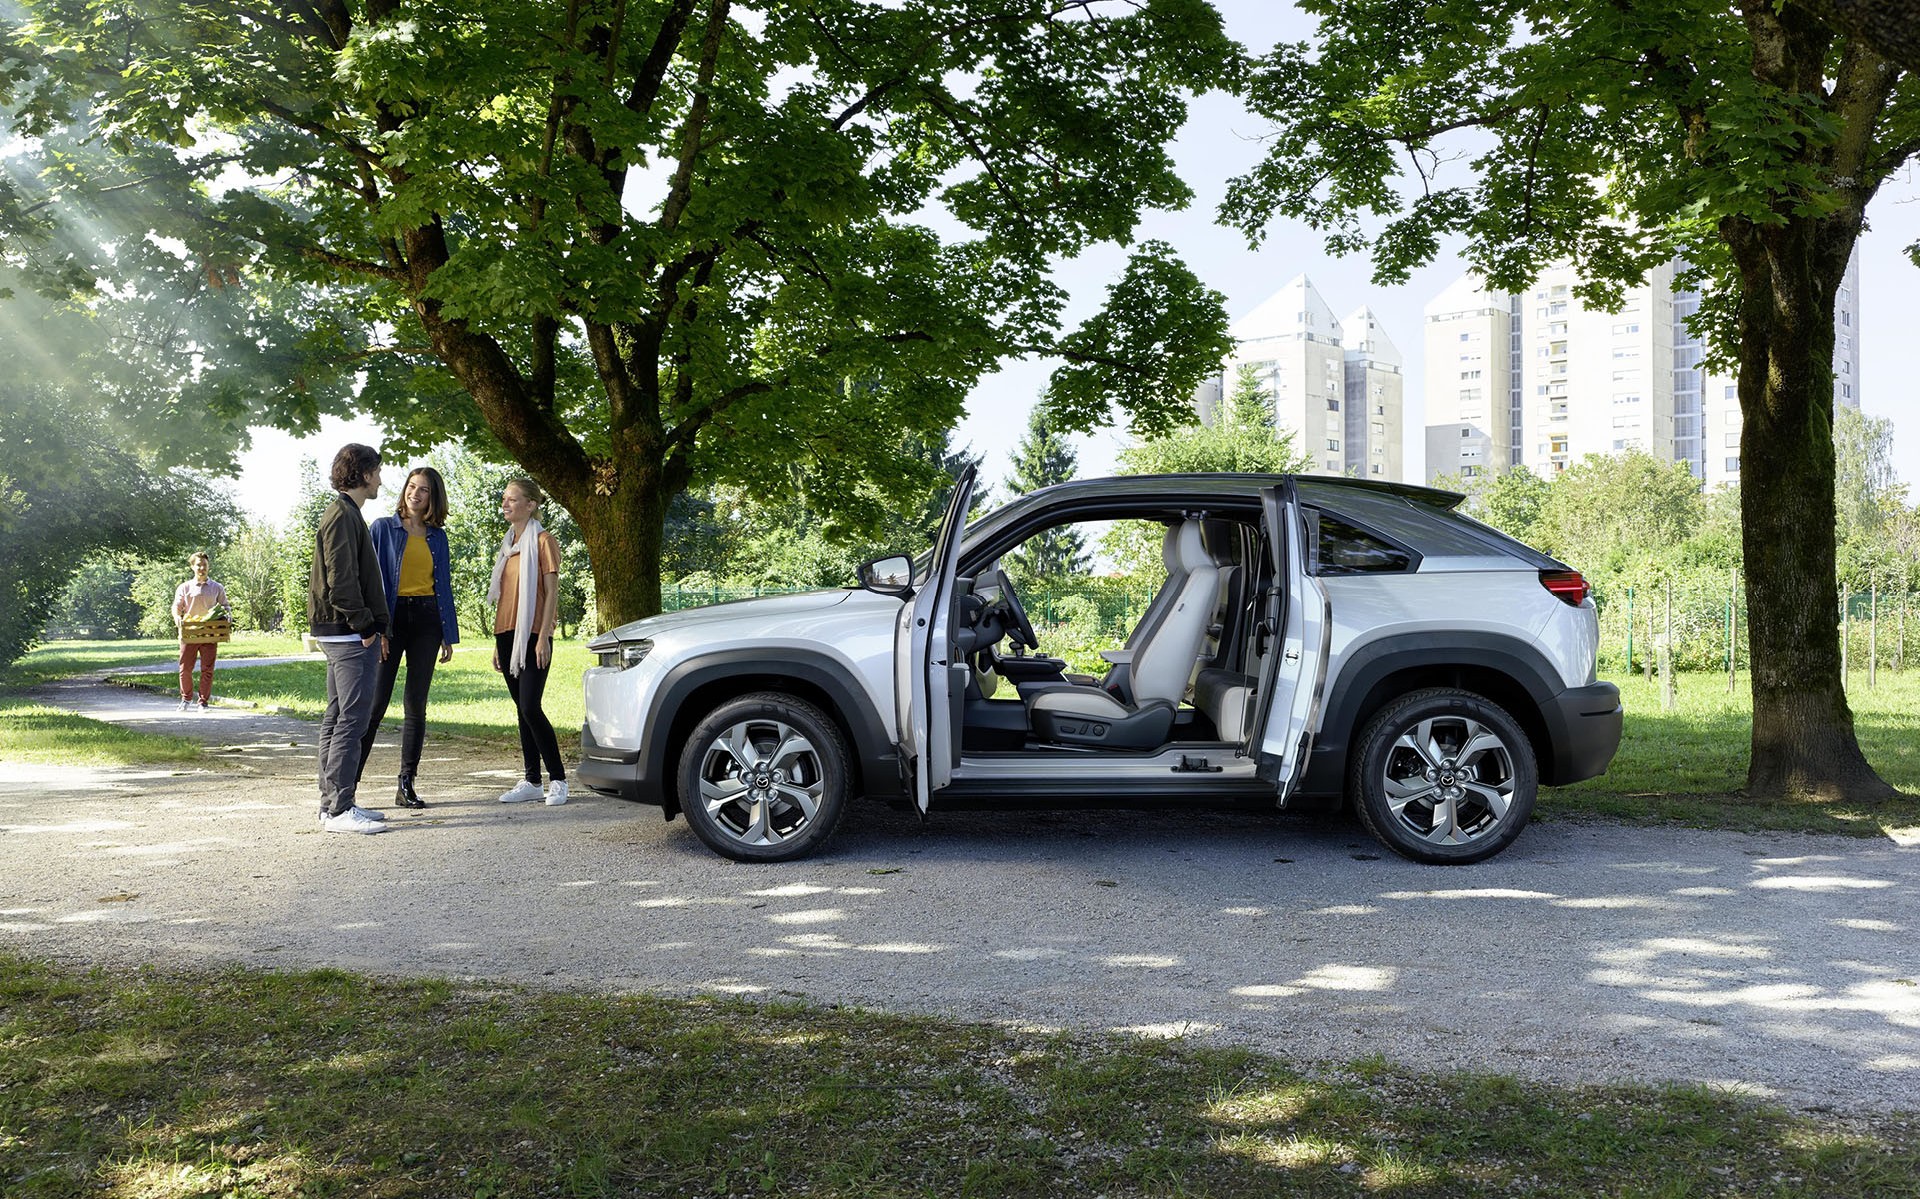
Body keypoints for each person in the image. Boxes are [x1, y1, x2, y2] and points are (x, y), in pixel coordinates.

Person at [354, 466, 460, 810]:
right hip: (392, 617)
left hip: (427, 619)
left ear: (433, 496)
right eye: (412, 487)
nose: (416, 493)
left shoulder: (437, 537)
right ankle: (348, 784)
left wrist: (448, 632)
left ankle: (406, 784)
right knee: (375, 704)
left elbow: (442, 584)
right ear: (404, 491)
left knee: (416, 705)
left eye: (424, 489)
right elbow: (370, 580)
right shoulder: (383, 528)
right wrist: (377, 627)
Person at [310, 443, 391, 835]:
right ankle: (340, 810)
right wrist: (367, 625)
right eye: (375, 471)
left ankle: (333, 805)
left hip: (341, 631)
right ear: (360, 473)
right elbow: (342, 582)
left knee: (338, 716)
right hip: (348, 633)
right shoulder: (342, 515)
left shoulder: (346, 514)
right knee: (351, 721)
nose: (379, 478)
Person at [488, 477, 568, 806]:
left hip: (533, 634)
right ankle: (532, 780)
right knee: (521, 710)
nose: (505, 504)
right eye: (504, 499)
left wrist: (545, 635)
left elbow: (551, 592)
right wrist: (496, 644)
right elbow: (505, 596)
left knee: (531, 707)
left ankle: (559, 779)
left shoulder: (543, 541)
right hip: (506, 634)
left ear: (531, 505)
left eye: (512, 499)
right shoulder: (508, 545)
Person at [171, 551, 228, 712]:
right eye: (198, 565)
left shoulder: (217, 587)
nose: (202, 568)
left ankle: (203, 702)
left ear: (208, 566)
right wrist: (177, 617)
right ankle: (186, 699)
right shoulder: (185, 587)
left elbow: (225, 606)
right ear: (192, 567)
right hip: (190, 632)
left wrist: (227, 616)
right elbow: (176, 606)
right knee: (185, 668)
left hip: (209, 633)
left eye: (204, 565)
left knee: (207, 668)